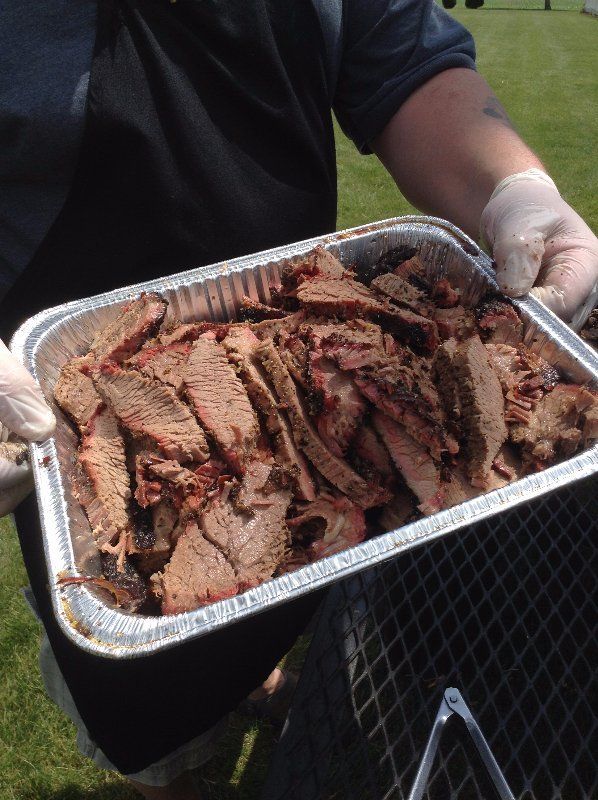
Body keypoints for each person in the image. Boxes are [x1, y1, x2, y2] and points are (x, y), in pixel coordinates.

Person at [1, 1, 597, 798]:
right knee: (154, 647)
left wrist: (513, 187)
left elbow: (403, 64)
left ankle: (255, 678)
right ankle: (176, 768)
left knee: (290, 558)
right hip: (68, 408)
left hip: (299, 348)